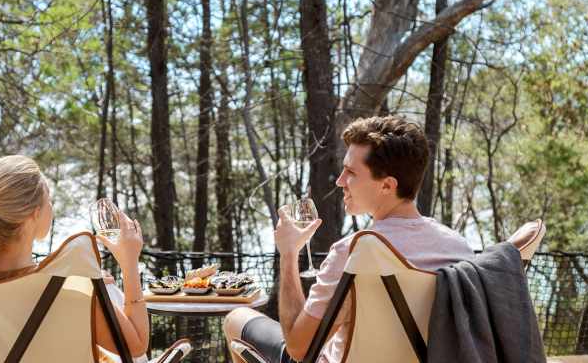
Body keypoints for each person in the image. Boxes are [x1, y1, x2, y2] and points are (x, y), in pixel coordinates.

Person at [224, 116, 536, 363]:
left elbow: (298, 348)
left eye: (351, 173)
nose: (340, 181)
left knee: (236, 319)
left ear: (387, 185)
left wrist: (289, 253)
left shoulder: (356, 252)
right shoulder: (459, 248)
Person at [0, 155, 150, 360]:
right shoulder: (70, 294)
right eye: (48, 198)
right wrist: (129, 262)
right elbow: (137, 346)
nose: (51, 206)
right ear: (34, 213)